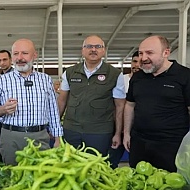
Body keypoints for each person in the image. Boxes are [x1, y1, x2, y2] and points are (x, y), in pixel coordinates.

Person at [0, 39, 63, 165]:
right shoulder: (1, 80)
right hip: (11, 138)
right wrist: (2, 109)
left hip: (40, 138)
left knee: (41, 176)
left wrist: (58, 138)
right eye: (16, 54)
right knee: (12, 176)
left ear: (34, 55)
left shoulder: (45, 79)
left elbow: (52, 110)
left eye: (25, 53)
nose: (19, 58)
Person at [123, 35, 190, 172]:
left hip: (171, 144)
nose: (143, 58)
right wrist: (127, 133)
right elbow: (130, 105)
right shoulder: (138, 77)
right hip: (139, 143)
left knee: (170, 185)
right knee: (138, 182)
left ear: (166, 52)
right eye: (141, 53)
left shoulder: (184, 76)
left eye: (150, 53)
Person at [58, 35, 126, 159]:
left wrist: (117, 133)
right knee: (69, 166)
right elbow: (62, 101)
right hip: (71, 130)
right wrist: (56, 128)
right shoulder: (69, 72)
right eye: (89, 46)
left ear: (104, 51)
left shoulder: (115, 74)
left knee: (96, 166)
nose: (93, 50)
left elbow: (120, 107)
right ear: (82, 50)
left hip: (100, 133)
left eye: (98, 47)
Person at [108, 50, 140, 168]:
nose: (136, 65)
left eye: (140, 62)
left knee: (136, 163)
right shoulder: (122, 79)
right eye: (134, 61)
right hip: (117, 129)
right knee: (111, 161)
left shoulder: (146, 83)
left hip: (136, 130)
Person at [0, 50, 13, 161]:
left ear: (11, 60)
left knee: (8, 149)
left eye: (5, 59)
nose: (2, 63)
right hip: (0, 119)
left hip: (12, 120)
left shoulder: (16, 77)